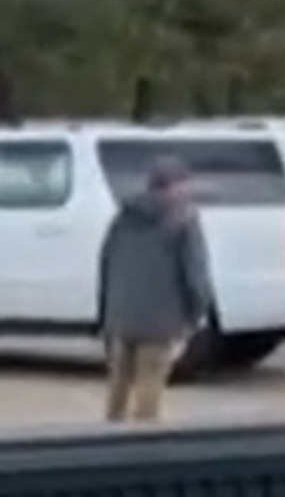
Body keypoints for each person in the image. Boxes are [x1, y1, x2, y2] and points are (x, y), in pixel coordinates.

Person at [98, 156, 213, 423]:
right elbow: (195, 272)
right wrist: (197, 312)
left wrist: (106, 311)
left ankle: (108, 436)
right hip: (161, 319)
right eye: (183, 183)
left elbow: (106, 263)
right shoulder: (183, 220)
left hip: (121, 317)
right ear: (172, 185)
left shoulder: (123, 217)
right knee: (150, 384)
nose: (187, 190)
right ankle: (143, 442)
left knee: (119, 383)